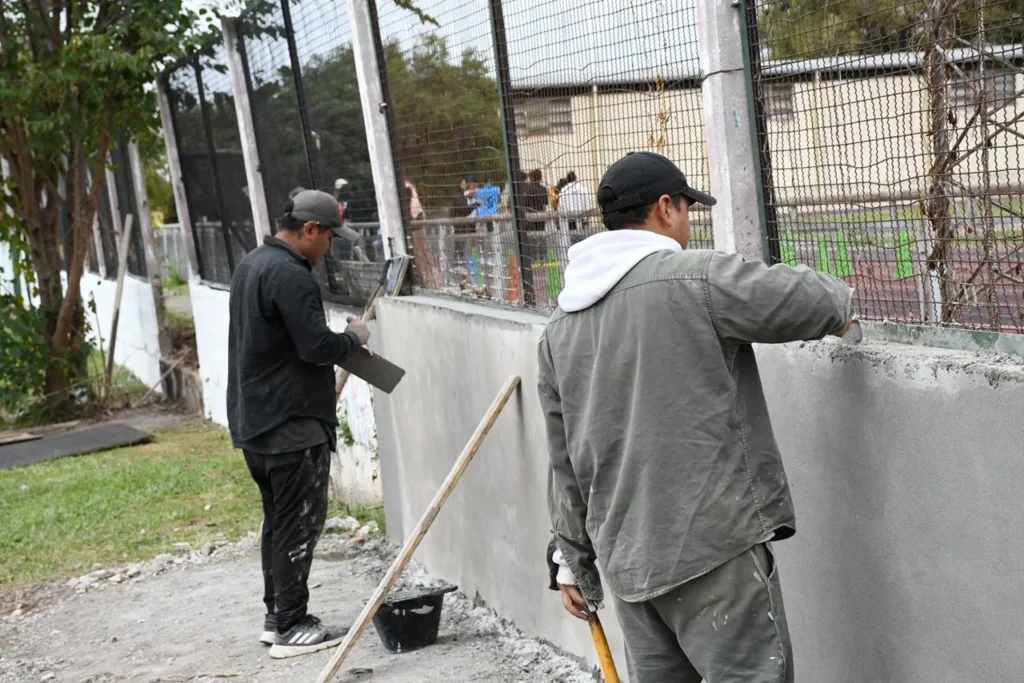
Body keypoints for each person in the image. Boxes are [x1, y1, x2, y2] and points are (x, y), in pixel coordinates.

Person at [539, 152, 855, 683]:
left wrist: (571, 561)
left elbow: (562, 459)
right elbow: (811, 301)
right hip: (714, 552)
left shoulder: (558, 328)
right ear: (666, 207)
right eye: (687, 209)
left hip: (628, 565)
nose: (688, 223)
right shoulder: (696, 278)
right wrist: (843, 304)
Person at [227, 190, 371, 660]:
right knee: (299, 524)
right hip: (291, 425)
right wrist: (353, 337)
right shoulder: (291, 274)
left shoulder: (253, 263)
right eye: (329, 236)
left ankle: (278, 617)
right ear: (309, 229)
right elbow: (315, 347)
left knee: (279, 521)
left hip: (257, 422)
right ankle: (291, 625)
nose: (330, 247)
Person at [556, 171, 595, 242]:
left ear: (567, 179)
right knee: (582, 241)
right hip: (581, 219)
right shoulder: (583, 189)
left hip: (568, 221)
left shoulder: (563, 190)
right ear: (576, 178)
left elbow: (560, 208)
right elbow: (589, 206)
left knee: (570, 241)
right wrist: (586, 219)